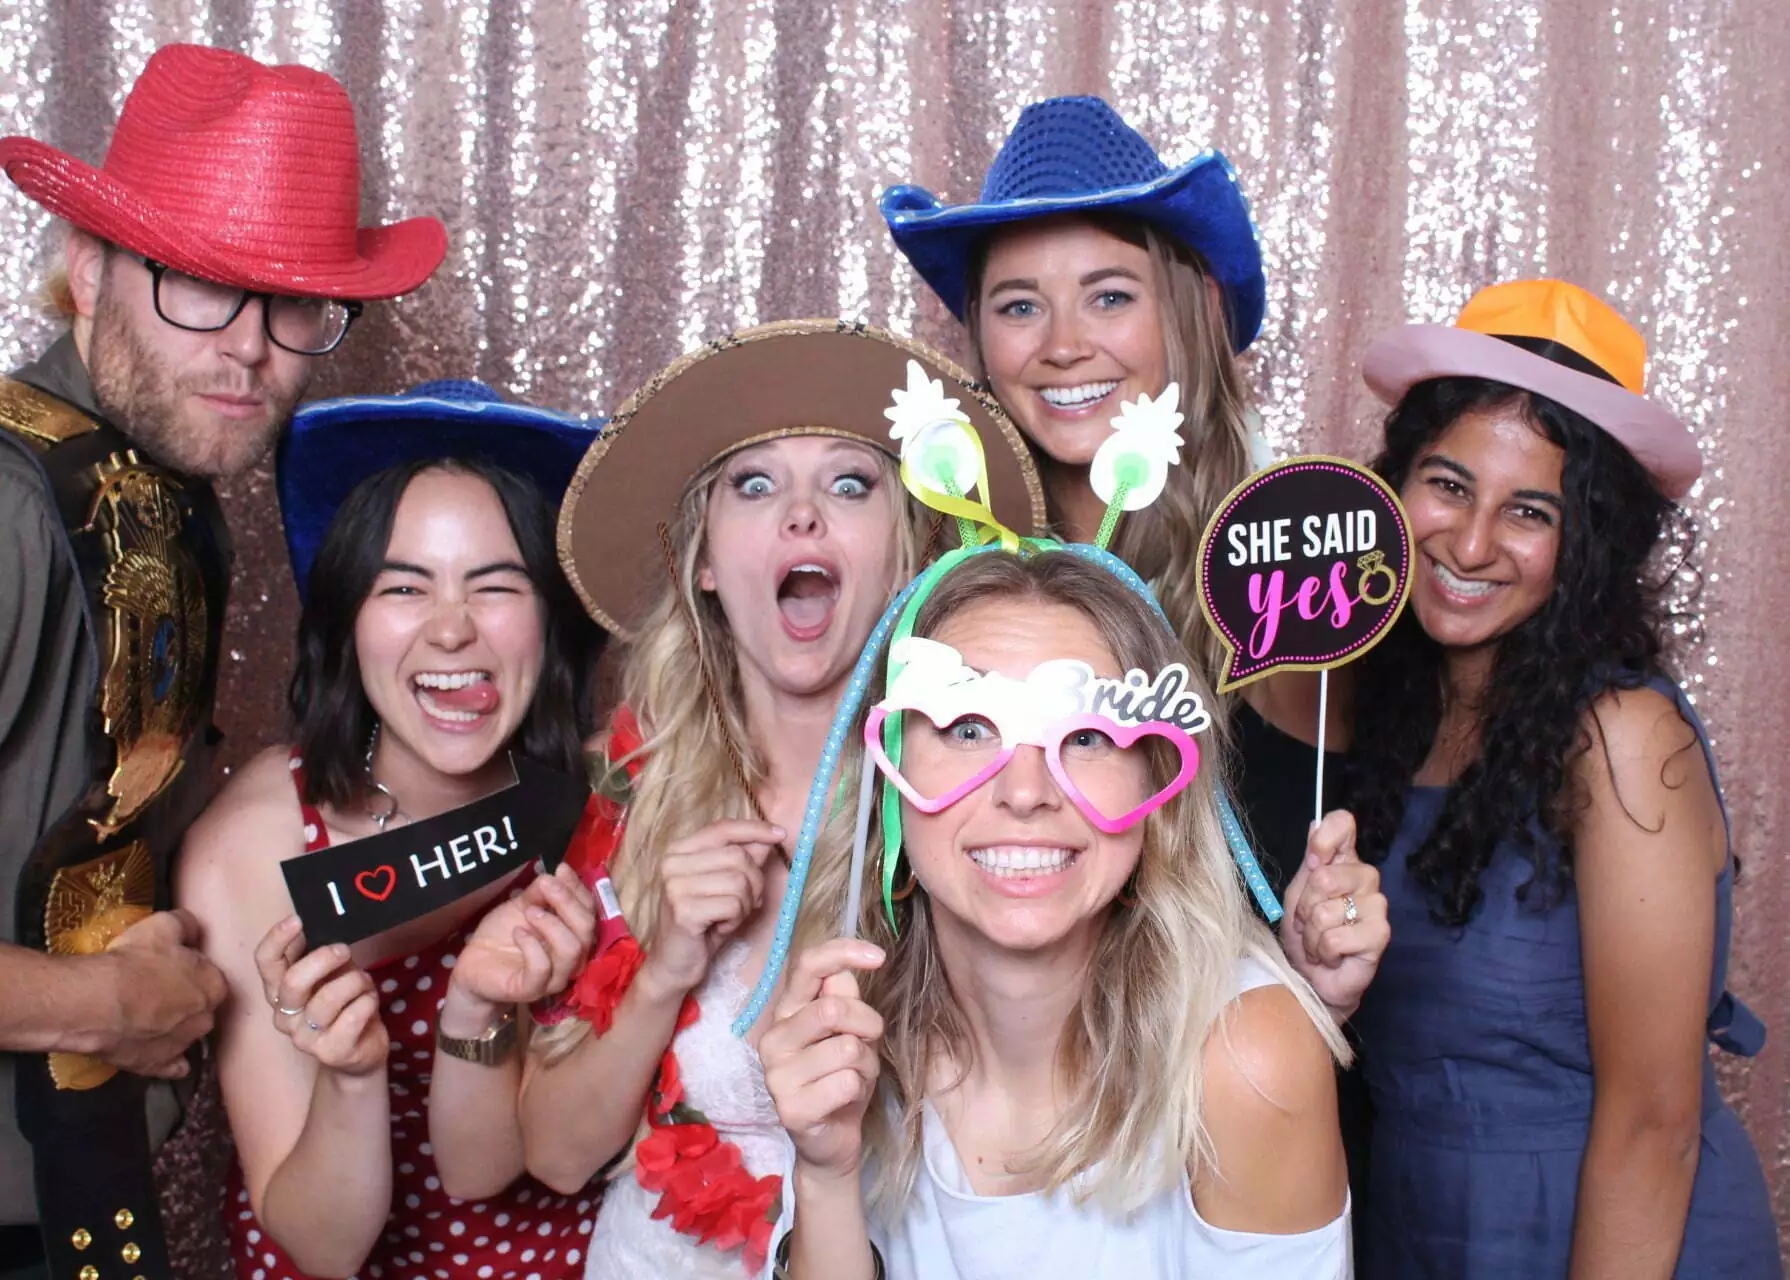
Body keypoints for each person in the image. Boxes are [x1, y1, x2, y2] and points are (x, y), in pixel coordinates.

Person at [426, 321, 1046, 1278]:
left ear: (909, 550)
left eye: (851, 484)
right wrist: (666, 969)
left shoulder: (990, 792)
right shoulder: (632, 794)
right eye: (753, 485)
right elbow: (554, 1155)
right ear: (706, 560)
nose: (802, 517)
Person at [0, 43, 444, 1278]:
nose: (251, 347)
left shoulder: (154, 485)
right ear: (91, 269)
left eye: (292, 301)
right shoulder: (12, 508)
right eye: (199, 283)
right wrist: (91, 1004)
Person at [1337, 280, 1780, 1276]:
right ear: (1393, 484)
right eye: (1448, 484)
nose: (1470, 543)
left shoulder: (1623, 738)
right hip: (1421, 1225)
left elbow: (1653, 1122)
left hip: (1611, 1236)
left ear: (1587, 544)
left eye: (1529, 511)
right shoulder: (1387, 713)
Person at [760, 548, 1354, 1279]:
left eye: (1087, 737)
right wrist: (825, 1176)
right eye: (967, 727)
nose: (1025, 791)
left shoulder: (1247, 1057)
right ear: (889, 782)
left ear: (1157, 789)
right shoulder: (849, 1030)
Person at [880, 94, 1360, 917]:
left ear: (1188, 313)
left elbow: (1293, 855)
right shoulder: (926, 566)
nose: (1064, 346)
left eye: (1109, 297)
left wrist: (1316, 948)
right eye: (1020, 306)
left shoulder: (1287, 576)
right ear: (979, 337)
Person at [175, 383, 603, 1279]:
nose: (451, 630)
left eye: (496, 586)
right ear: (346, 620)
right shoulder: (258, 842)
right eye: (404, 587)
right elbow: (322, 1247)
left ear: (552, 617)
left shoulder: (610, 795)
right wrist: (352, 1076)